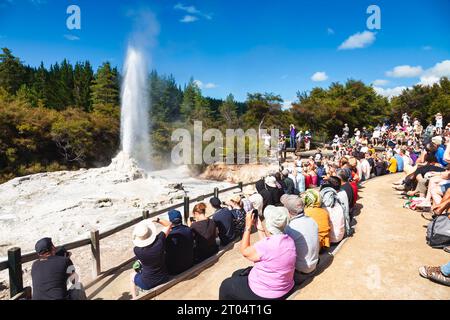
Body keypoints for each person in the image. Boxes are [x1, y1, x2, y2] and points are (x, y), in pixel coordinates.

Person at [219, 206, 296, 300]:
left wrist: (247, 227)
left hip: (267, 293)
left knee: (226, 285)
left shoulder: (267, 246)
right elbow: (268, 248)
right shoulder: (288, 240)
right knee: (237, 273)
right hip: (284, 287)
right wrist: (260, 228)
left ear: (269, 224)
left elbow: (245, 251)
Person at [282, 195, 320, 283]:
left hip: (301, 272)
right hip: (314, 264)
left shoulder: (290, 228)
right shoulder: (312, 220)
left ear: (288, 211)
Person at [130, 219, 170, 298]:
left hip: (147, 283)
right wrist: (157, 220)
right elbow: (169, 225)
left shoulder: (137, 250)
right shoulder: (160, 242)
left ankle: (135, 298)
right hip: (164, 277)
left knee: (132, 275)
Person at [163, 210, 194, 275]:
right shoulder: (188, 229)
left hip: (174, 270)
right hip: (189, 263)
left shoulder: (169, 236)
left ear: (170, 221)